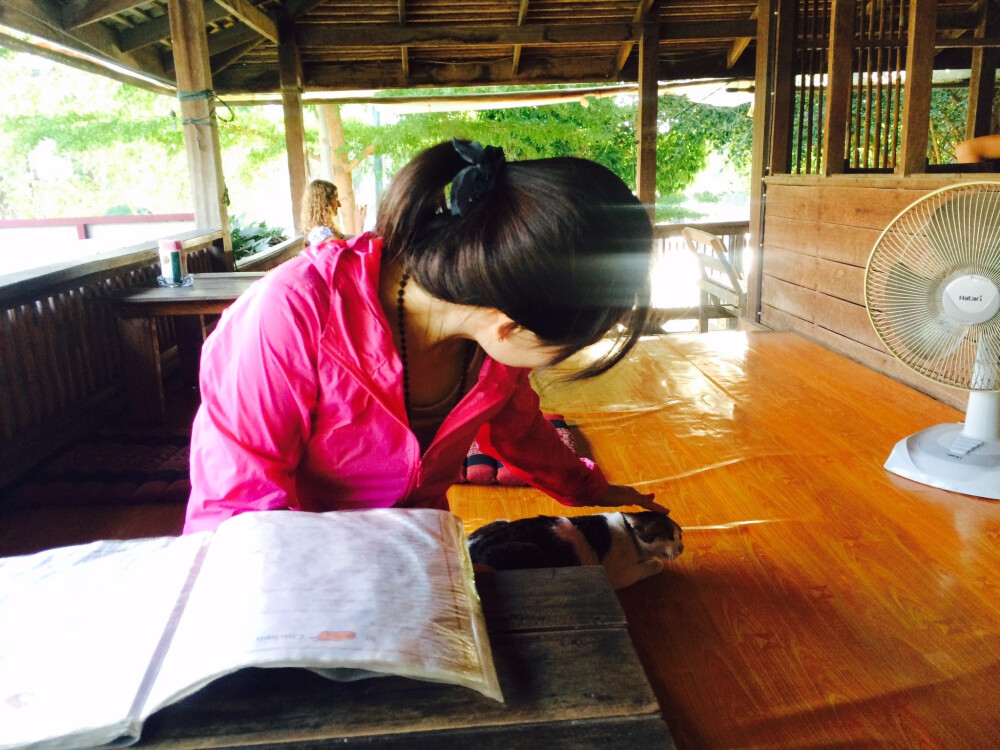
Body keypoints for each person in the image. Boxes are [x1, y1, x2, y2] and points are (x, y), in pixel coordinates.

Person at [184, 139, 667, 533]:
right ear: (511, 325)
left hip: (420, 555)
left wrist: (590, 490)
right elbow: (233, 514)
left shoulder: (490, 336)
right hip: (302, 576)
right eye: (561, 350)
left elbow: (518, 430)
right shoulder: (294, 312)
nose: (543, 367)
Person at [300, 179, 346, 246]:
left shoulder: (321, 231)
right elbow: (343, 254)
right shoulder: (322, 233)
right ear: (324, 203)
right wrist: (359, 227)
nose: (339, 204)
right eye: (335, 199)